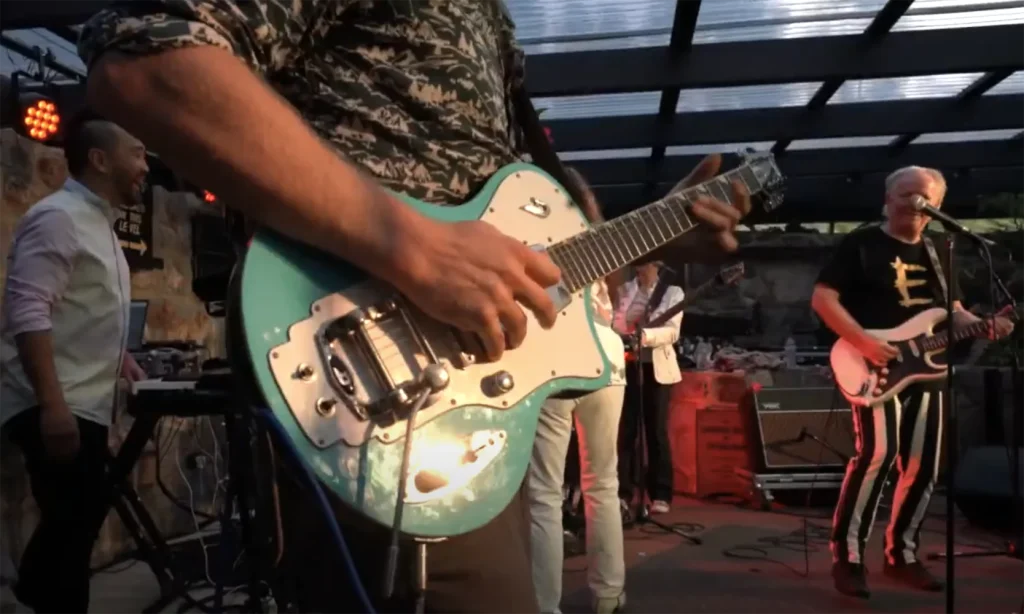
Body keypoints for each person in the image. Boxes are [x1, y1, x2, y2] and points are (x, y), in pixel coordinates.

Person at [77, 1, 750, 612]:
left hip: (470, 400)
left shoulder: (494, 26)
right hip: (374, 375)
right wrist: (413, 248)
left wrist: (652, 238)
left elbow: (529, 261)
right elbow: (146, 56)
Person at [811, 165, 1014, 599]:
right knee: (876, 455)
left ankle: (901, 555)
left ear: (937, 206)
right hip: (873, 364)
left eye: (923, 196)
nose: (913, 202)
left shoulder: (941, 249)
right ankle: (848, 558)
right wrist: (863, 342)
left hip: (929, 368)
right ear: (888, 200)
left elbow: (951, 311)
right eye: (905, 194)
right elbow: (823, 298)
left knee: (924, 464)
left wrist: (985, 326)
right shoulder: (862, 243)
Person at [0, 114, 149, 614]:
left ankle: (30, 599)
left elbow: (80, 308)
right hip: (55, 400)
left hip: (80, 401)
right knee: (72, 529)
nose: (146, 166)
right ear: (100, 159)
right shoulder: (59, 217)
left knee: (74, 529)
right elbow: (27, 311)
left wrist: (121, 358)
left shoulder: (98, 224)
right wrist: (52, 407)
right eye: (137, 153)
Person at [528, 168, 627, 614]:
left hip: (558, 355)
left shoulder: (532, 227)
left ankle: (545, 605)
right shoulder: (596, 232)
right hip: (607, 349)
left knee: (544, 493)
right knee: (603, 482)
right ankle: (608, 595)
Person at [613, 262, 685, 515]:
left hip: (657, 369)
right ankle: (623, 492)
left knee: (656, 431)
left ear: (658, 266)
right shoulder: (624, 290)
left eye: (648, 265)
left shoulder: (672, 292)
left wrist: (645, 337)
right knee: (626, 431)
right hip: (628, 366)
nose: (643, 270)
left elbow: (672, 331)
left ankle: (661, 493)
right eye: (640, 265)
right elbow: (618, 323)